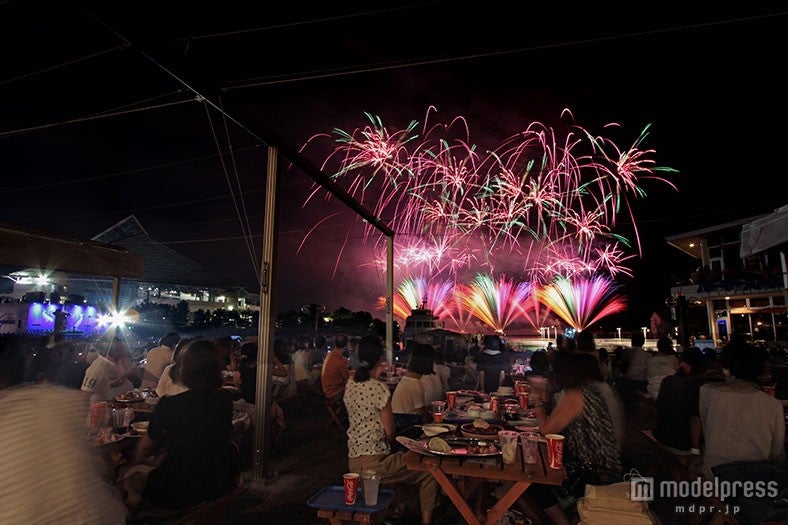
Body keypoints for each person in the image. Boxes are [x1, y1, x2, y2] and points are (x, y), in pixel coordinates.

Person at [126, 339, 240, 511]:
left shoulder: (170, 404)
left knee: (127, 477)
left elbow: (146, 446)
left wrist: (133, 462)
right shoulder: (224, 400)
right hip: (220, 479)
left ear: (184, 370)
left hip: (181, 486)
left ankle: (146, 515)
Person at [344, 335, 440, 525]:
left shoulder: (351, 384)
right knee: (429, 471)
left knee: (405, 468)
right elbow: (390, 432)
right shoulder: (379, 389)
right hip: (375, 464)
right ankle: (425, 521)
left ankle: (399, 510)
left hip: (354, 461)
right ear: (378, 360)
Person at [527, 351, 623, 524]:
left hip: (592, 471)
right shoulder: (588, 390)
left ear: (562, 375)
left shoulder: (575, 396)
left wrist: (536, 400)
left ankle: (561, 521)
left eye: (553, 371)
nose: (550, 376)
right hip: (600, 463)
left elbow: (546, 431)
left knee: (532, 479)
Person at [699, 338, 785, 480]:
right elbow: (777, 453)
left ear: (726, 367)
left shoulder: (707, 392)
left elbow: (707, 430)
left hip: (715, 473)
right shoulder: (773, 405)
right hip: (755, 478)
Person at [653, 347, 719, 458]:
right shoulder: (699, 386)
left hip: (662, 436)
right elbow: (695, 420)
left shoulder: (668, 381)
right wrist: (695, 451)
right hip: (683, 444)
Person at [81, 336, 134, 405]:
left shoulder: (117, 363)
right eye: (122, 349)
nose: (125, 351)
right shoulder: (99, 367)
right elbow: (85, 394)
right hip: (105, 408)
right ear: (115, 351)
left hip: (122, 405)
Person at [391, 345, 433, 424]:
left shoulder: (407, 378)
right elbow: (422, 415)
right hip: (406, 426)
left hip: (398, 422)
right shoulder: (415, 384)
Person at [321, 333, 351, 402]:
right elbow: (347, 378)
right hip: (334, 393)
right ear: (346, 345)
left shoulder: (330, 355)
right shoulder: (339, 360)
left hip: (326, 389)